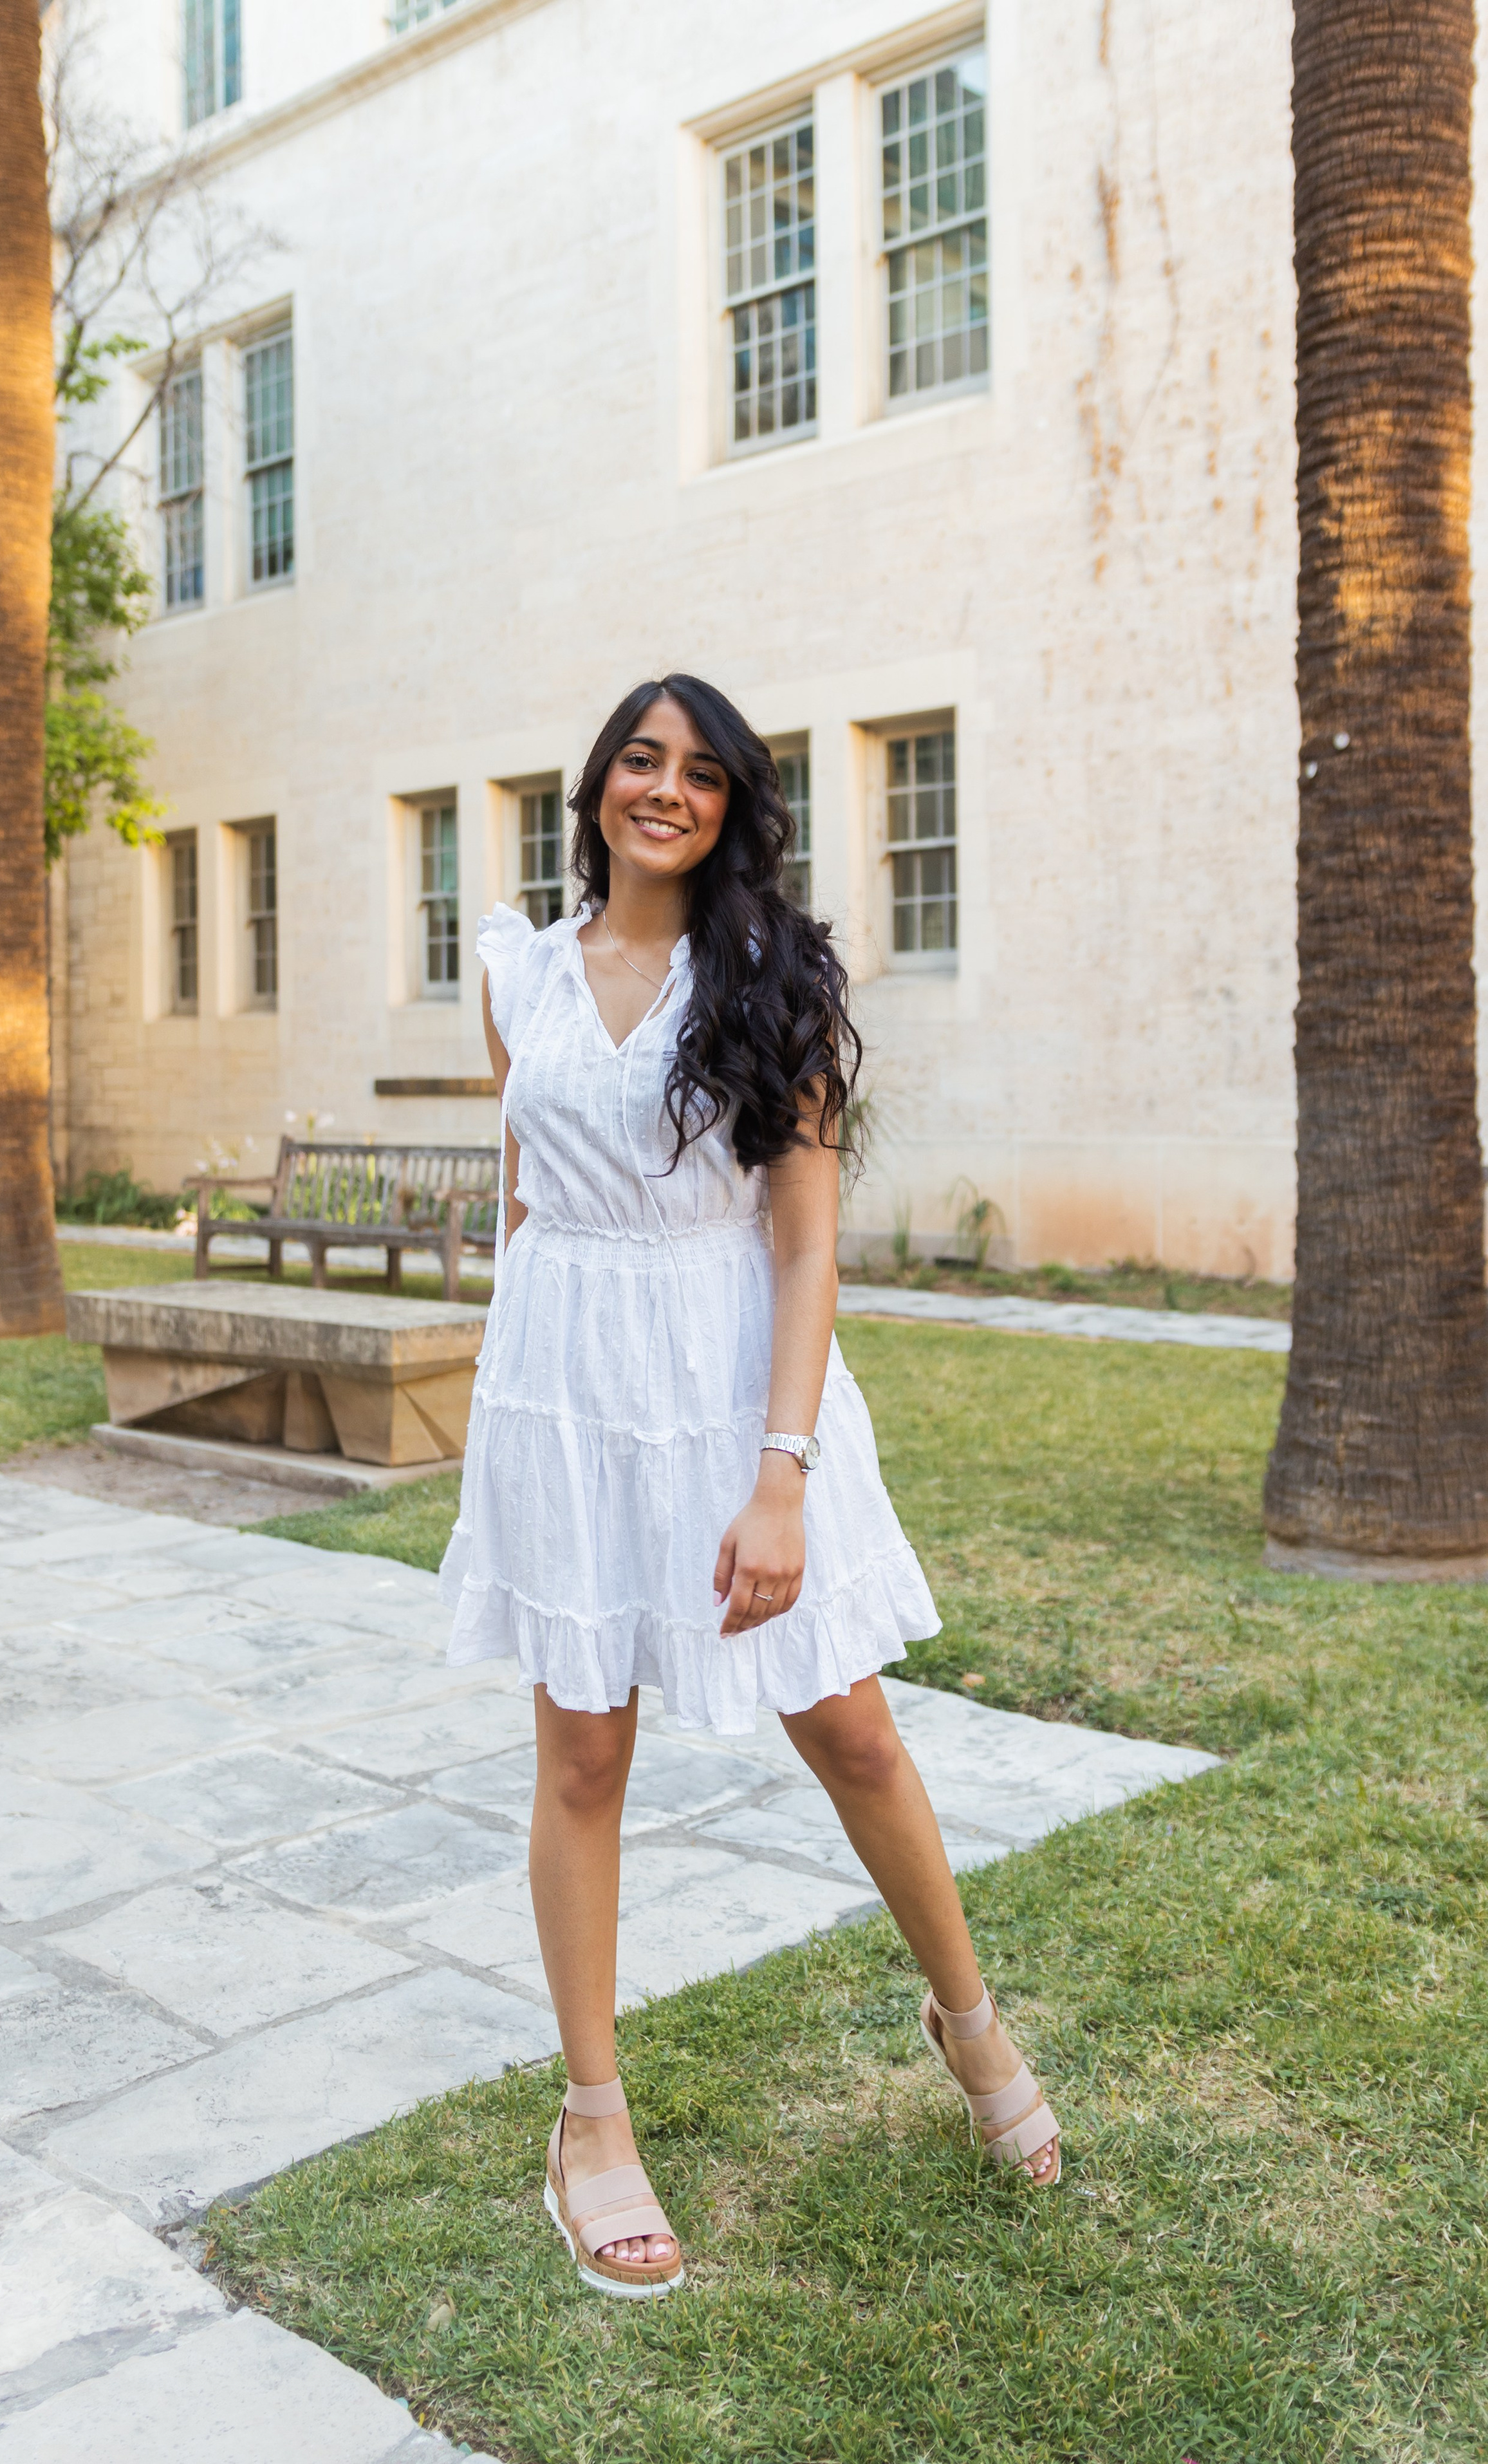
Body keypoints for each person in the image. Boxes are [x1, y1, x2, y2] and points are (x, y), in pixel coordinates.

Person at [439, 674, 1061, 2300]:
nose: (664, 791)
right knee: (581, 1755)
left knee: (846, 1721)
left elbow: (799, 1242)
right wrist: (521, 1410)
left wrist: (776, 1479)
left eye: (699, 773)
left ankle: (969, 2021)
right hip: (567, 1395)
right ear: (593, 787)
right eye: (639, 761)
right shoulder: (514, 975)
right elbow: (527, 1201)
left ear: (732, 808)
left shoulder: (767, 972)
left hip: (733, 1389)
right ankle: (591, 2123)